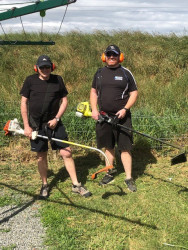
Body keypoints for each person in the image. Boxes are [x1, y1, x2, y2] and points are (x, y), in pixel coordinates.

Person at [20, 55, 92, 198]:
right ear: (37, 68)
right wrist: (27, 126)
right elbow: (23, 103)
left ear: (52, 67)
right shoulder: (30, 81)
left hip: (55, 123)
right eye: (42, 67)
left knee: (66, 152)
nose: (45, 70)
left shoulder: (58, 80)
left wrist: (57, 118)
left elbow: (64, 101)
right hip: (36, 125)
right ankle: (45, 185)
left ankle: (76, 185)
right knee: (41, 155)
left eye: (48, 67)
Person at [90, 45, 138, 192]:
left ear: (120, 57)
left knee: (125, 147)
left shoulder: (126, 73)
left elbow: (134, 93)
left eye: (114, 55)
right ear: (104, 57)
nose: (112, 57)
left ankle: (128, 177)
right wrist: (94, 109)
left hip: (122, 117)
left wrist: (125, 109)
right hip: (104, 117)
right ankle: (109, 173)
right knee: (108, 146)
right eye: (109, 55)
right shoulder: (99, 73)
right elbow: (93, 92)